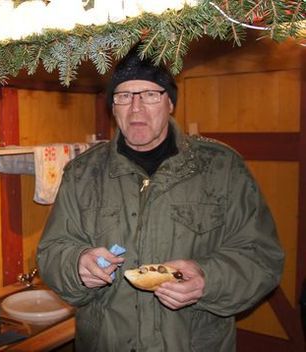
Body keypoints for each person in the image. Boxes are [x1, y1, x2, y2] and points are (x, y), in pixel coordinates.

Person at [36, 46, 285, 352]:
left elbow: (262, 256)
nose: (136, 109)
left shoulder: (222, 167)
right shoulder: (81, 173)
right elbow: (51, 250)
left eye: (150, 94)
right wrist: (75, 265)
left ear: (170, 103)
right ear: (113, 107)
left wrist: (208, 279)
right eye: (124, 96)